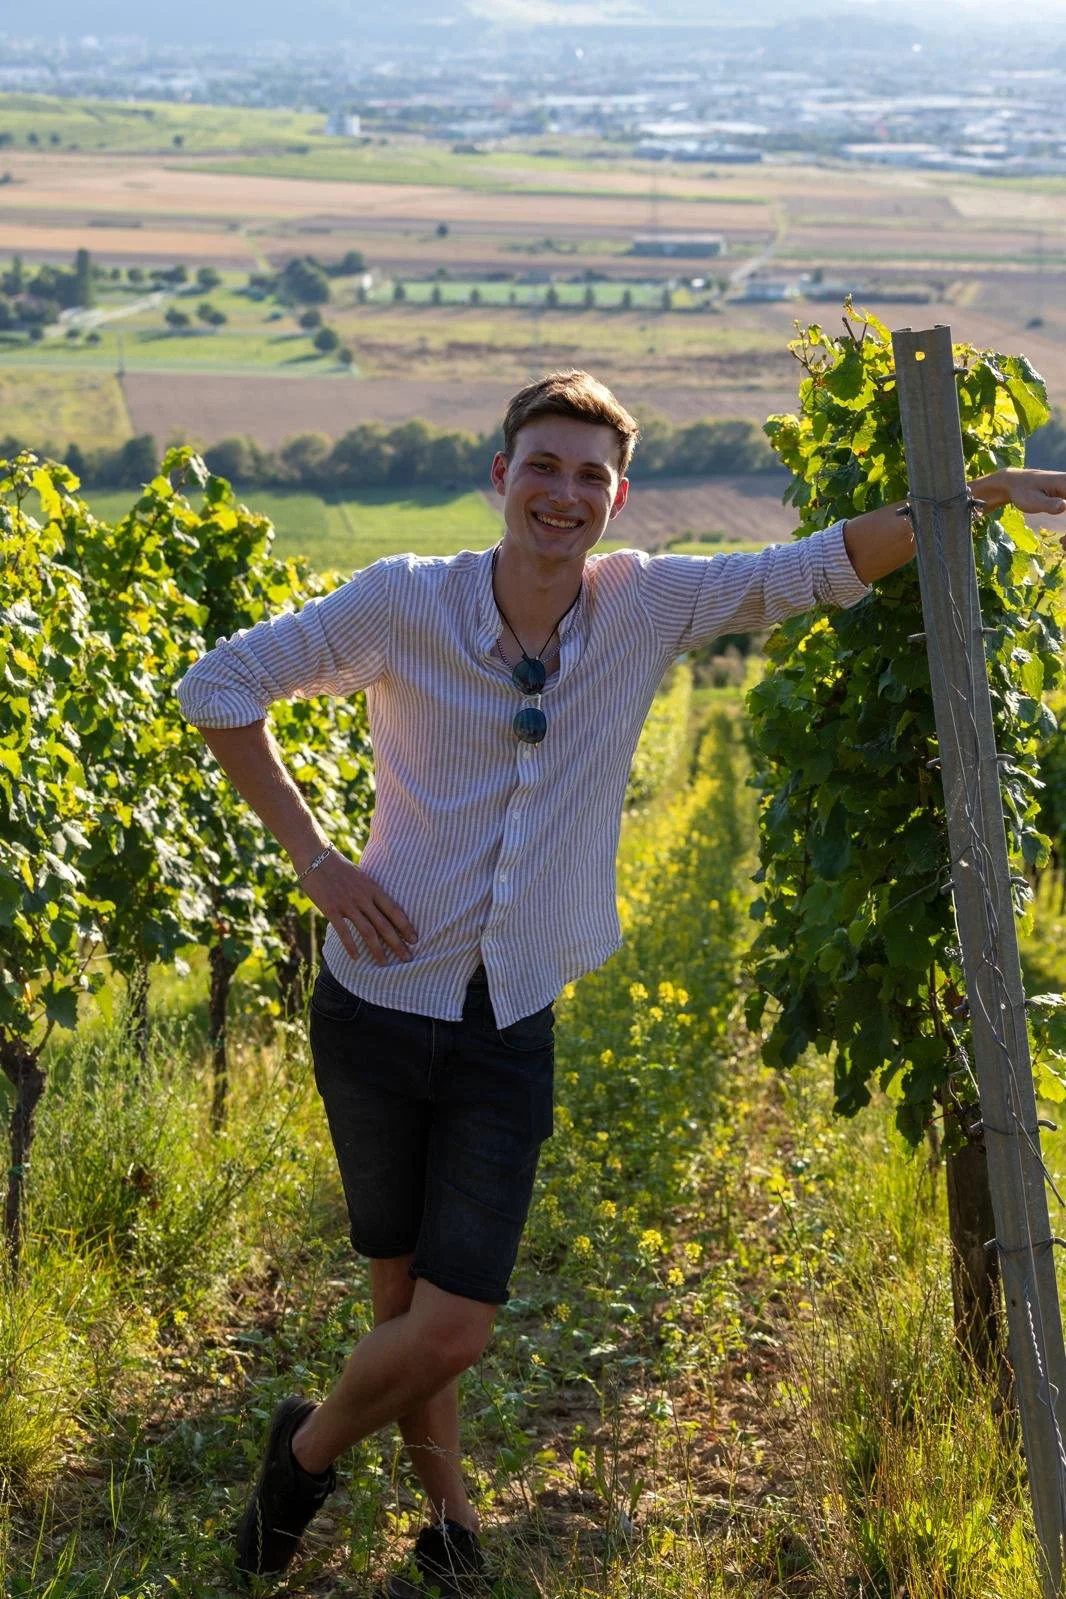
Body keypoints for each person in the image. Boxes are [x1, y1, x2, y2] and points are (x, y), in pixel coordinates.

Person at [175, 369, 1066, 1594]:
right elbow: (216, 686)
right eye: (542, 465)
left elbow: (805, 568)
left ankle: (305, 1454)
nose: (563, 492)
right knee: (400, 1295)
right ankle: (451, 1529)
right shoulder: (402, 603)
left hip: (509, 1019)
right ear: (500, 476)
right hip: (373, 1005)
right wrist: (320, 864)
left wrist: (970, 502)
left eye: (590, 474)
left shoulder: (641, 608)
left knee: (453, 1321)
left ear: (618, 498)